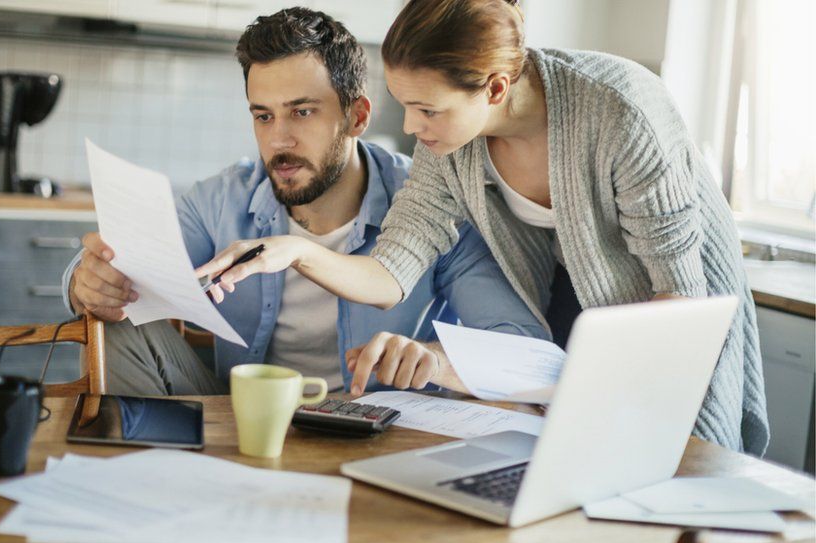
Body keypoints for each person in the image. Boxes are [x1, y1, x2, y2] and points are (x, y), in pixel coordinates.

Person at [195, 0, 768, 455]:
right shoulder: (450, 145)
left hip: (671, 306)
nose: (413, 128)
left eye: (428, 109)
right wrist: (297, 252)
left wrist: (607, 387)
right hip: (577, 303)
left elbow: (678, 296)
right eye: (405, 106)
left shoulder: (620, 111)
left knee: (676, 468)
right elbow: (392, 269)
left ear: (494, 88)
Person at [63, 7, 546, 398]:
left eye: (303, 112)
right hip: (243, 422)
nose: (279, 140)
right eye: (263, 116)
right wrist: (87, 283)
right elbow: (126, 276)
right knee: (115, 326)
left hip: (379, 432)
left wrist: (434, 358)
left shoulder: (432, 205)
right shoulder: (219, 199)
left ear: (357, 116)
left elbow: (523, 349)